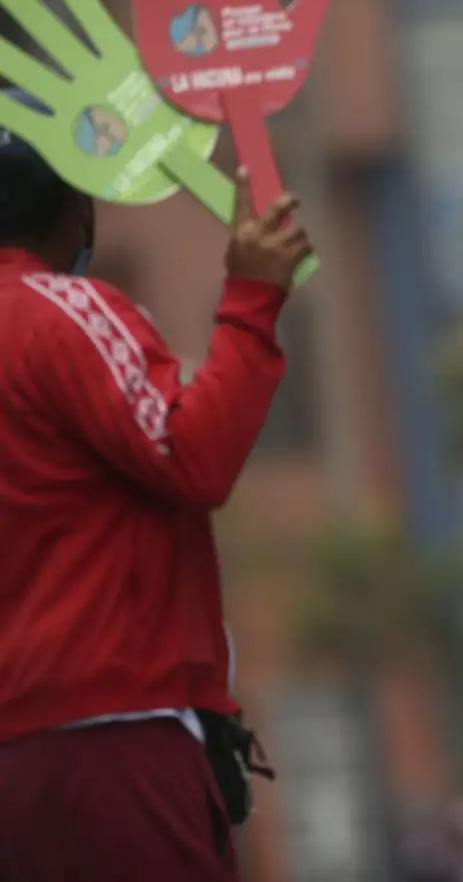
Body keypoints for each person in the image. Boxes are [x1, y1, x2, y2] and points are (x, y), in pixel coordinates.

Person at [0, 101, 314, 881]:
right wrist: (252, 298)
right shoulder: (60, 312)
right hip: (110, 738)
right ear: (76, 209)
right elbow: (191, 454)